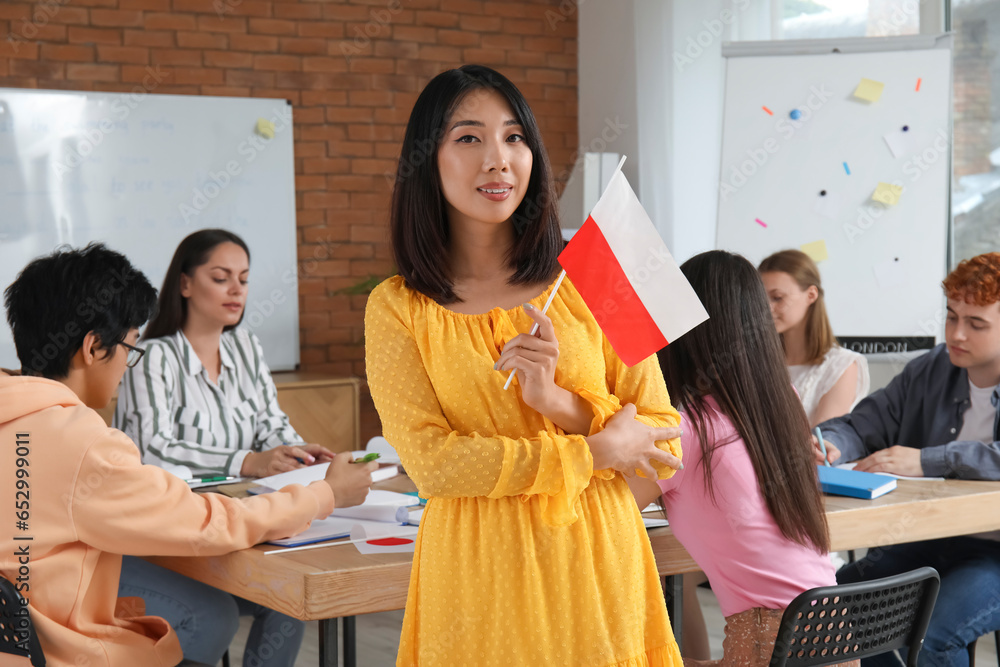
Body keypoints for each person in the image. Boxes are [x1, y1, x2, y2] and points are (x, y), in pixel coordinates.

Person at [365, 64, 685, 666]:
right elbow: (432, 464)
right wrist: (591, 453)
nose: (498, 159)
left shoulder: (598, 276)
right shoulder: (398, 308)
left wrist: (560, 404)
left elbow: (664, 437)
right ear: (425, 160)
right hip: (477, 572)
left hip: (598, 563)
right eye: (468, 138)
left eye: (515, 137)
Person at [0, 243, 376, 667]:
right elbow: (209, 523)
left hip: (16, 639)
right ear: (92, 348)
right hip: (61, 648)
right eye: (129, 348)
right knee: (208, 617)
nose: (128, 364)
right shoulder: (85, 443)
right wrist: (325, 495)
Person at [113, 229, 351, 666]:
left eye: (243, 278)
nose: (236, 289)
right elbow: (153, 449)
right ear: (185, 284)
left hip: (241, 522)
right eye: (221, 277)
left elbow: (268, 420)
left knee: (285, 596)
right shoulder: (150, 358)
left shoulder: (245, 346)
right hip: (175, 533)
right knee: (216, 614)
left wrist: (297, 450)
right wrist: (249, 461)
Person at [628, 251, 855, 667]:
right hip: (833, 643)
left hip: (768, 647)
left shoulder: (685, 431)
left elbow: (600, 515)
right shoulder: (782, 405)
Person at [819, 252, 1000, 667]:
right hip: (925, 537)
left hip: (992, 555)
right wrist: (832, 444)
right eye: (952, 316)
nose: (957, 333)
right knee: (830, 606)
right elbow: (864, 423)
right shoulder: (930, 369)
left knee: (932, 636)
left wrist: (927, 460)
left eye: (976, 324)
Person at [759, 249, 870, 427]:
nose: (767, 309)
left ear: (811, 295)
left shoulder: (842, 365)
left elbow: (822, 445)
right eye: (761, 300)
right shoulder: (757, 360)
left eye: (777, 298)